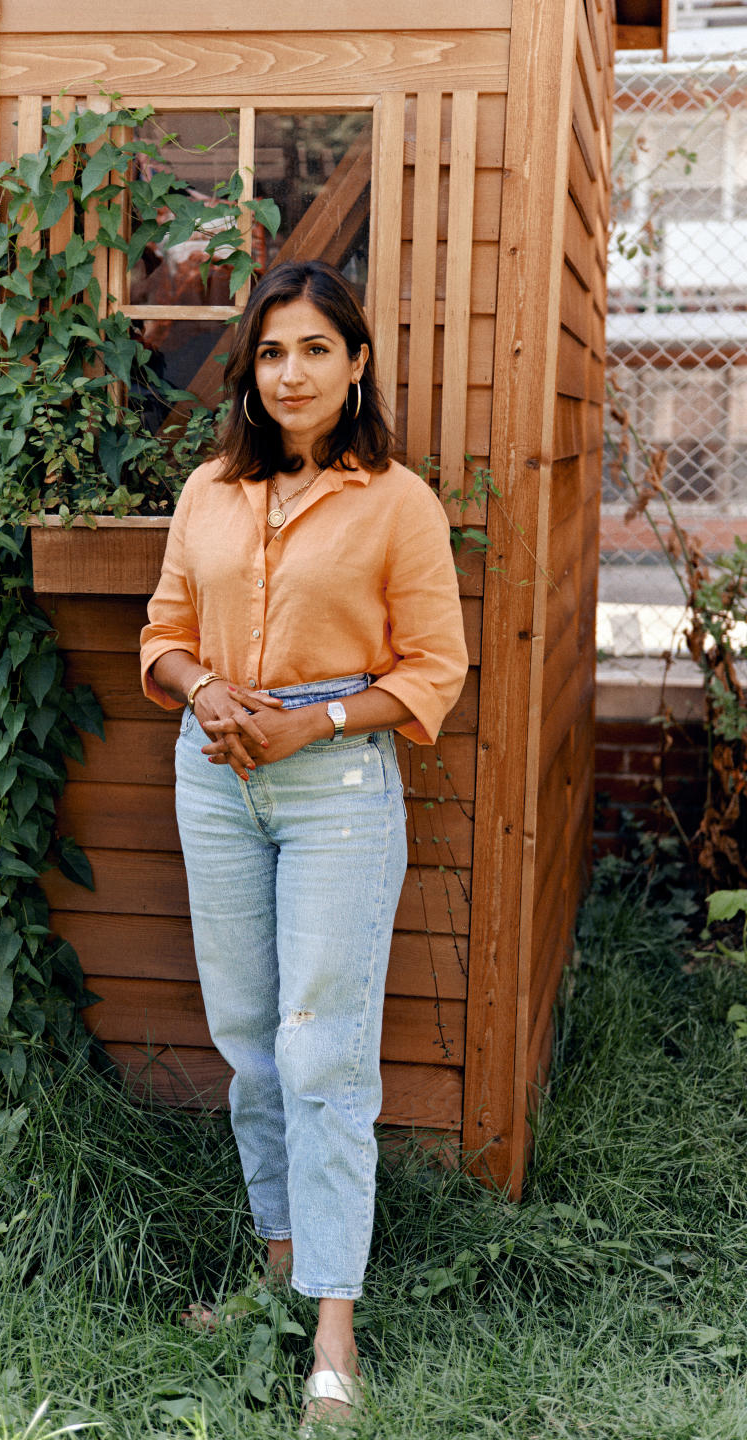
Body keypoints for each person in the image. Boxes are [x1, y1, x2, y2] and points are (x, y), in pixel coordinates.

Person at [140, 258, 468, 1427]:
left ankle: (334, 1317)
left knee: (324, 1053)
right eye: (273, 351)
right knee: (249, 1040)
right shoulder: (208, 492)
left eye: (316, 349)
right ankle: (277, 1267)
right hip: (218, 773)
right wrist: (203, 693)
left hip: (333, 783)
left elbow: (435, 670)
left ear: (356, 362)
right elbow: (163, 633)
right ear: (252, 369)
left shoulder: (397, 500)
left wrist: (311, 722)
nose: (292, 373)